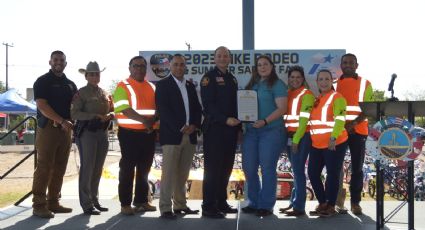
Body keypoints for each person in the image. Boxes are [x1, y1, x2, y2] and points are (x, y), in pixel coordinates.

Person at [155, 54, 202, 219]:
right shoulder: (162, 85)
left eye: (182, 65)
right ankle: (166, 208)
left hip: (190, 135)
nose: (179, 67)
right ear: (170, 67)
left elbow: (197, 108)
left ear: (185, 66)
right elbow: (164, 110)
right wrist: (181, 127)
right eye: (176, 65)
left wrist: (194, 125)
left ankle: (180, 205)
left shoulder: (189, 85)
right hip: (172, 135)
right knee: (168, 174)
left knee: (183, 174)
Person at [32, 50, 77, 218]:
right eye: (56, 59)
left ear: (66, 63)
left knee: (60, 167)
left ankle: (53, 202)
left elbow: (75, 106)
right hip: (48, 129)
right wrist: (61, 121)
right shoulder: (43, 81)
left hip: (65, 130)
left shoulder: (71, 84)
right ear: (50, 62)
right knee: (44, 167)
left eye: (62, 60)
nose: (59, 62)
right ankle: (39, 204)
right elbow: (42, 106)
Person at [240, 55, 287, 217]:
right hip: (251, 132)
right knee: (249, 167)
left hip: (271, 131)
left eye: (265, 64)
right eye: (259, 65)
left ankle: (266, 205)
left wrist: (265, 121)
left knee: (267, 168)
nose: (262, 67)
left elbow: (282, 109)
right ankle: (253, 202)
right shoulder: (252, 84)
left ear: (272, 66)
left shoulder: (277, 84)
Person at [113, 56, 159, 215]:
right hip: (129, 134)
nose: (139, 69)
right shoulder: (122, 86)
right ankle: (125, 204)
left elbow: (157, 109)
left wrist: (152, 123)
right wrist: (145, 121)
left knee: (144, 169)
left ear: (146, 69)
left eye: (142, 66)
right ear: (130, 68)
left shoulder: (152, 87)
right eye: (136, 66)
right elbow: (124, 109)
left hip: (147, 134)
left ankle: (141, 201)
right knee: (127, 170)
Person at [200, 46, 240, 218]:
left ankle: (221, 202)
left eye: (226, 56)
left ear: (229, 59)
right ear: (214, 58)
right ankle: (209, 205)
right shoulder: (208, 78)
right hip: (215, 129)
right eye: (220, 56)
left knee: (226, 168)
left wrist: (239, 124)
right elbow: (208, 105)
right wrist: (225, 119)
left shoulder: (232, 78)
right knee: (213, 169)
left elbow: (236, 105)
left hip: (230, 130)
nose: (223, 58)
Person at [71, 61, 114, 215]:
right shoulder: (81, 93)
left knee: (97, 168)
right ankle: (86, 203)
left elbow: (113, 110)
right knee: (87, 167)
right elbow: (74, 114)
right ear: (86, 76)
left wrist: (110, 115)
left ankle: (94, 200)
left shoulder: (105, 93)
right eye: (92, 74)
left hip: (102, 133)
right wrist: (93, 116)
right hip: (87, 133)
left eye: (97, 74)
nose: (95, 76)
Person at [335, 53, 373, 215]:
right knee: (335, 167)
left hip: (358, 131)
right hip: (339, 131)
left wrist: (353, 123)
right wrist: (342, 125)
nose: (348, 65)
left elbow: (369, 109)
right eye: (345, 62)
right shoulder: (334, 84)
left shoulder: (366, 83)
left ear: (356, 65)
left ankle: (355, 202)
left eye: (351, 62)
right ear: (341, 65)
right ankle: (337, 199)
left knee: (357, 169)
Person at [307, 69, 348, 217]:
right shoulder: (317, 99)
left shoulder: (338, 97)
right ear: (317, 82)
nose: (324, 82)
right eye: (321, 79)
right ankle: (323, 202)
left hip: (334, 143)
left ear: (332, 81)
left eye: (326, 79)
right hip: (317, 144)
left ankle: (331, 205)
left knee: (332, 174)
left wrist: (333, 138)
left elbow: (340, 119)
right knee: (312, 173)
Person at [279, 65, 315, 216]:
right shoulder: (287, 93)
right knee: (296, 171)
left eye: (298, 77)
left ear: (303, 79)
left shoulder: (307, 94)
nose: (295, 80)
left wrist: (296, 140)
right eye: (292, 77)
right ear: (288, 79)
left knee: (299, 171)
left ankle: (299, 207)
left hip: (301, 136)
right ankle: (293, 202)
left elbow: (304, 121)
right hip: (289, 136)